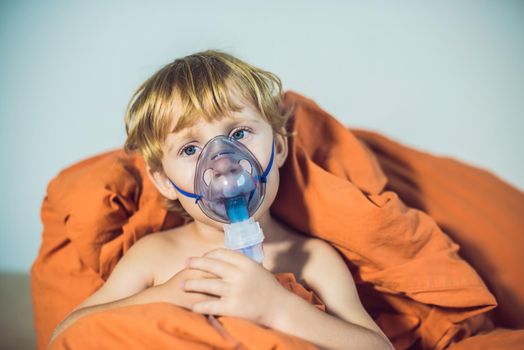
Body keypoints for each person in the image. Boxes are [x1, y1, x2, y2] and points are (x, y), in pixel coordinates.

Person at [50, 50, 393, 350]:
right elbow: (66, 336)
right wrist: (164, 296)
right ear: (166, 182)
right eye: (190, 149)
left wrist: (277, 308)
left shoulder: (313, 259)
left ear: (278, 146)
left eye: (238, 133)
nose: (222, 161)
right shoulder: (155, 256)